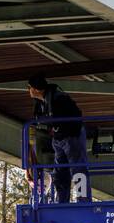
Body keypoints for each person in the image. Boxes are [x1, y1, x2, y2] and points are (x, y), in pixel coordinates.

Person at [27, 75, 88, 204]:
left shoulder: (58, 98)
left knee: (78, 169)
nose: (29, 90)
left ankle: (83, 199)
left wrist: (57, 127)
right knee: (60, 172)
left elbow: (73, 117)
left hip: (72, 136)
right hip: (58, 138)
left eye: (30, 87)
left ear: (36, 89)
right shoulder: (43, 102)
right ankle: (62, 200)